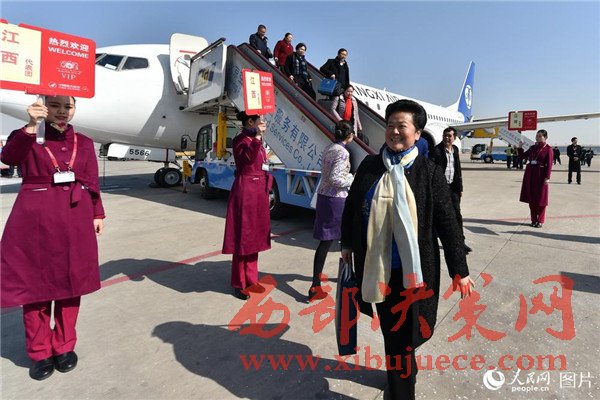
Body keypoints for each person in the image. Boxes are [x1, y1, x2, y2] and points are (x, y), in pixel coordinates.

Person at [340, 99, 474, 399]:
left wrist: (460, 270)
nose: (394, 132)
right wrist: (347, 244)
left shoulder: (429, 172)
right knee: (395, 334)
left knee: (406, 334)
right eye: (390, 126)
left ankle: (402, 382)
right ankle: (402, 385)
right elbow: (352, 208)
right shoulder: (371, 166)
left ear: (417, 133)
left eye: (402, 126)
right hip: (379, 270)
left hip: (414, 274)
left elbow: (448, 223)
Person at [0, 96, 105, 381]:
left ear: (74, 109)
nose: (61, 112)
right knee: (34, 288)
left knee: (72, 285)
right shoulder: (28, 134)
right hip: (34, 220)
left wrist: (97, 212)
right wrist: (31, 125)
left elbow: (91, 180)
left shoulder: (83, 142)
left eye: (67, 107)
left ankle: (64, 345)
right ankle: (39, 351)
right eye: (55, 105)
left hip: (75, 217)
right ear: (43, 106)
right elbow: (8, 158)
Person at [222, 111, 272, 300]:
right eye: (260, 120)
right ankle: (239, 283)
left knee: (255, 237)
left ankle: (251, 279)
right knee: (243, 237)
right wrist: (258, 137)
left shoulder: (256, 139)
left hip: (259, 191)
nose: (263, 123)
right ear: (250, 122)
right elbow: (247, 159)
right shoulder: (240, 140)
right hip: (246, 192)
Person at [310, 121, 354, 301]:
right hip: (336, 199)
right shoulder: (343, 152)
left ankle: (315, 284)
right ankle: (347, 278)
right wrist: (352, 178)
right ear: (350, 136)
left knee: (325, 242)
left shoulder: (329, 148)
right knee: (345, 240)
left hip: (323, 196)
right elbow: (337, 179)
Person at [432, 127, 472, 254]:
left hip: (453, 188)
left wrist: (460, 188)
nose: (446, 138)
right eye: (445, 135)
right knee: (438, 216)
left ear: (454, 138)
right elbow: (432, 171)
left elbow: (458, 169)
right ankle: (434, 242)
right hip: (440, 189)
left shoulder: (455, 150)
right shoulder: (436, 151)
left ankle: (460, 242)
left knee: (457, 215)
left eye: (449, 136)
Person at [519, 129, 553, 228]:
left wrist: (547, 177)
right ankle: (533, 220)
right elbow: (522, 156)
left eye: (540, 136)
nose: (537, 137)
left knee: (541, 200)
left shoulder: (548, 149)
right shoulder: (532, 148)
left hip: (541, 175)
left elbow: (549, 164)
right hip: (530, 174)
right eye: (537, 136)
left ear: (545, 137)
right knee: (532, 199)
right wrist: (520, 148)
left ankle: (540, 220)